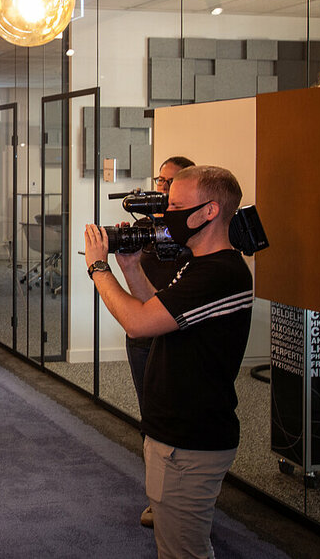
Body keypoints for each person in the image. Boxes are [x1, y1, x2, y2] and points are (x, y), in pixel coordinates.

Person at [84, 166, 252, 559]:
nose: (166, 214)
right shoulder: (199, 264)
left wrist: (98, 267)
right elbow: (159, 316)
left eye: (176, 205)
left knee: (183, 551)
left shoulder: (219, 273)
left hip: (189, 442)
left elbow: (137, 323)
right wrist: (129, 267)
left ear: (209, 212)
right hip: (175, 435)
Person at [124, 155, 195, 529]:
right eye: (161, 180)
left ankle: (183, 498)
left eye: (171, 183)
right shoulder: (148, 226)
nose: (163, 188)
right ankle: (156, 496)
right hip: (142, 333)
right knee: (150, 417)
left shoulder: (193, 236)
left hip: (177, 333)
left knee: (177, 418)